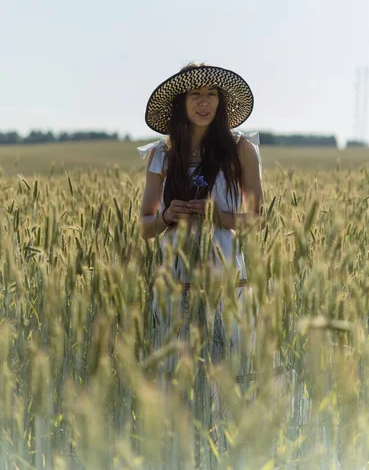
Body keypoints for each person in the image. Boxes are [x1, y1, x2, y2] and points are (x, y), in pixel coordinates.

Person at [138, 62, 264, 466]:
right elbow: (144, 226)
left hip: (228, 288)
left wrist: (215, 217)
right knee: (179, 389)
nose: (204, 101)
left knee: (226, 387)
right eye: (195, 94)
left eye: (211, 94)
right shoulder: (161, 155)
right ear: (182, 102)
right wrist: (168, 215)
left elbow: (256, 220)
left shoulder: (242, 150)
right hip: (176, 291)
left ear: (221, 101)